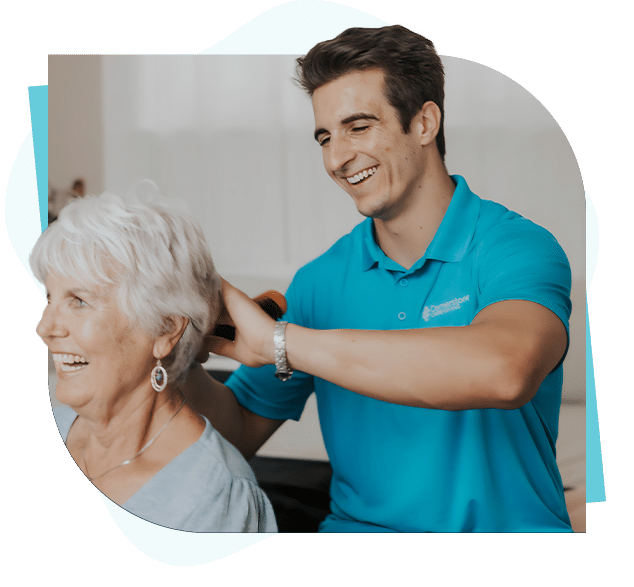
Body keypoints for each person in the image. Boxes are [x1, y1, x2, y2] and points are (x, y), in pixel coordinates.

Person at [184, 25, 574, 532]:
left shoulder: (514, 248)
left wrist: (280, 341)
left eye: (359, 127)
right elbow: (235, 430)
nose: (336, 158)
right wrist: (180, 355)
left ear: (424, 122)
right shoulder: (319, 283)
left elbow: (506, 371)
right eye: (325, 136)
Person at [31, 189, 277, 533]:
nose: (44, 328)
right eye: (50, 298)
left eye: (79, 301)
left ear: (164, 329)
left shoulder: (215, 500)